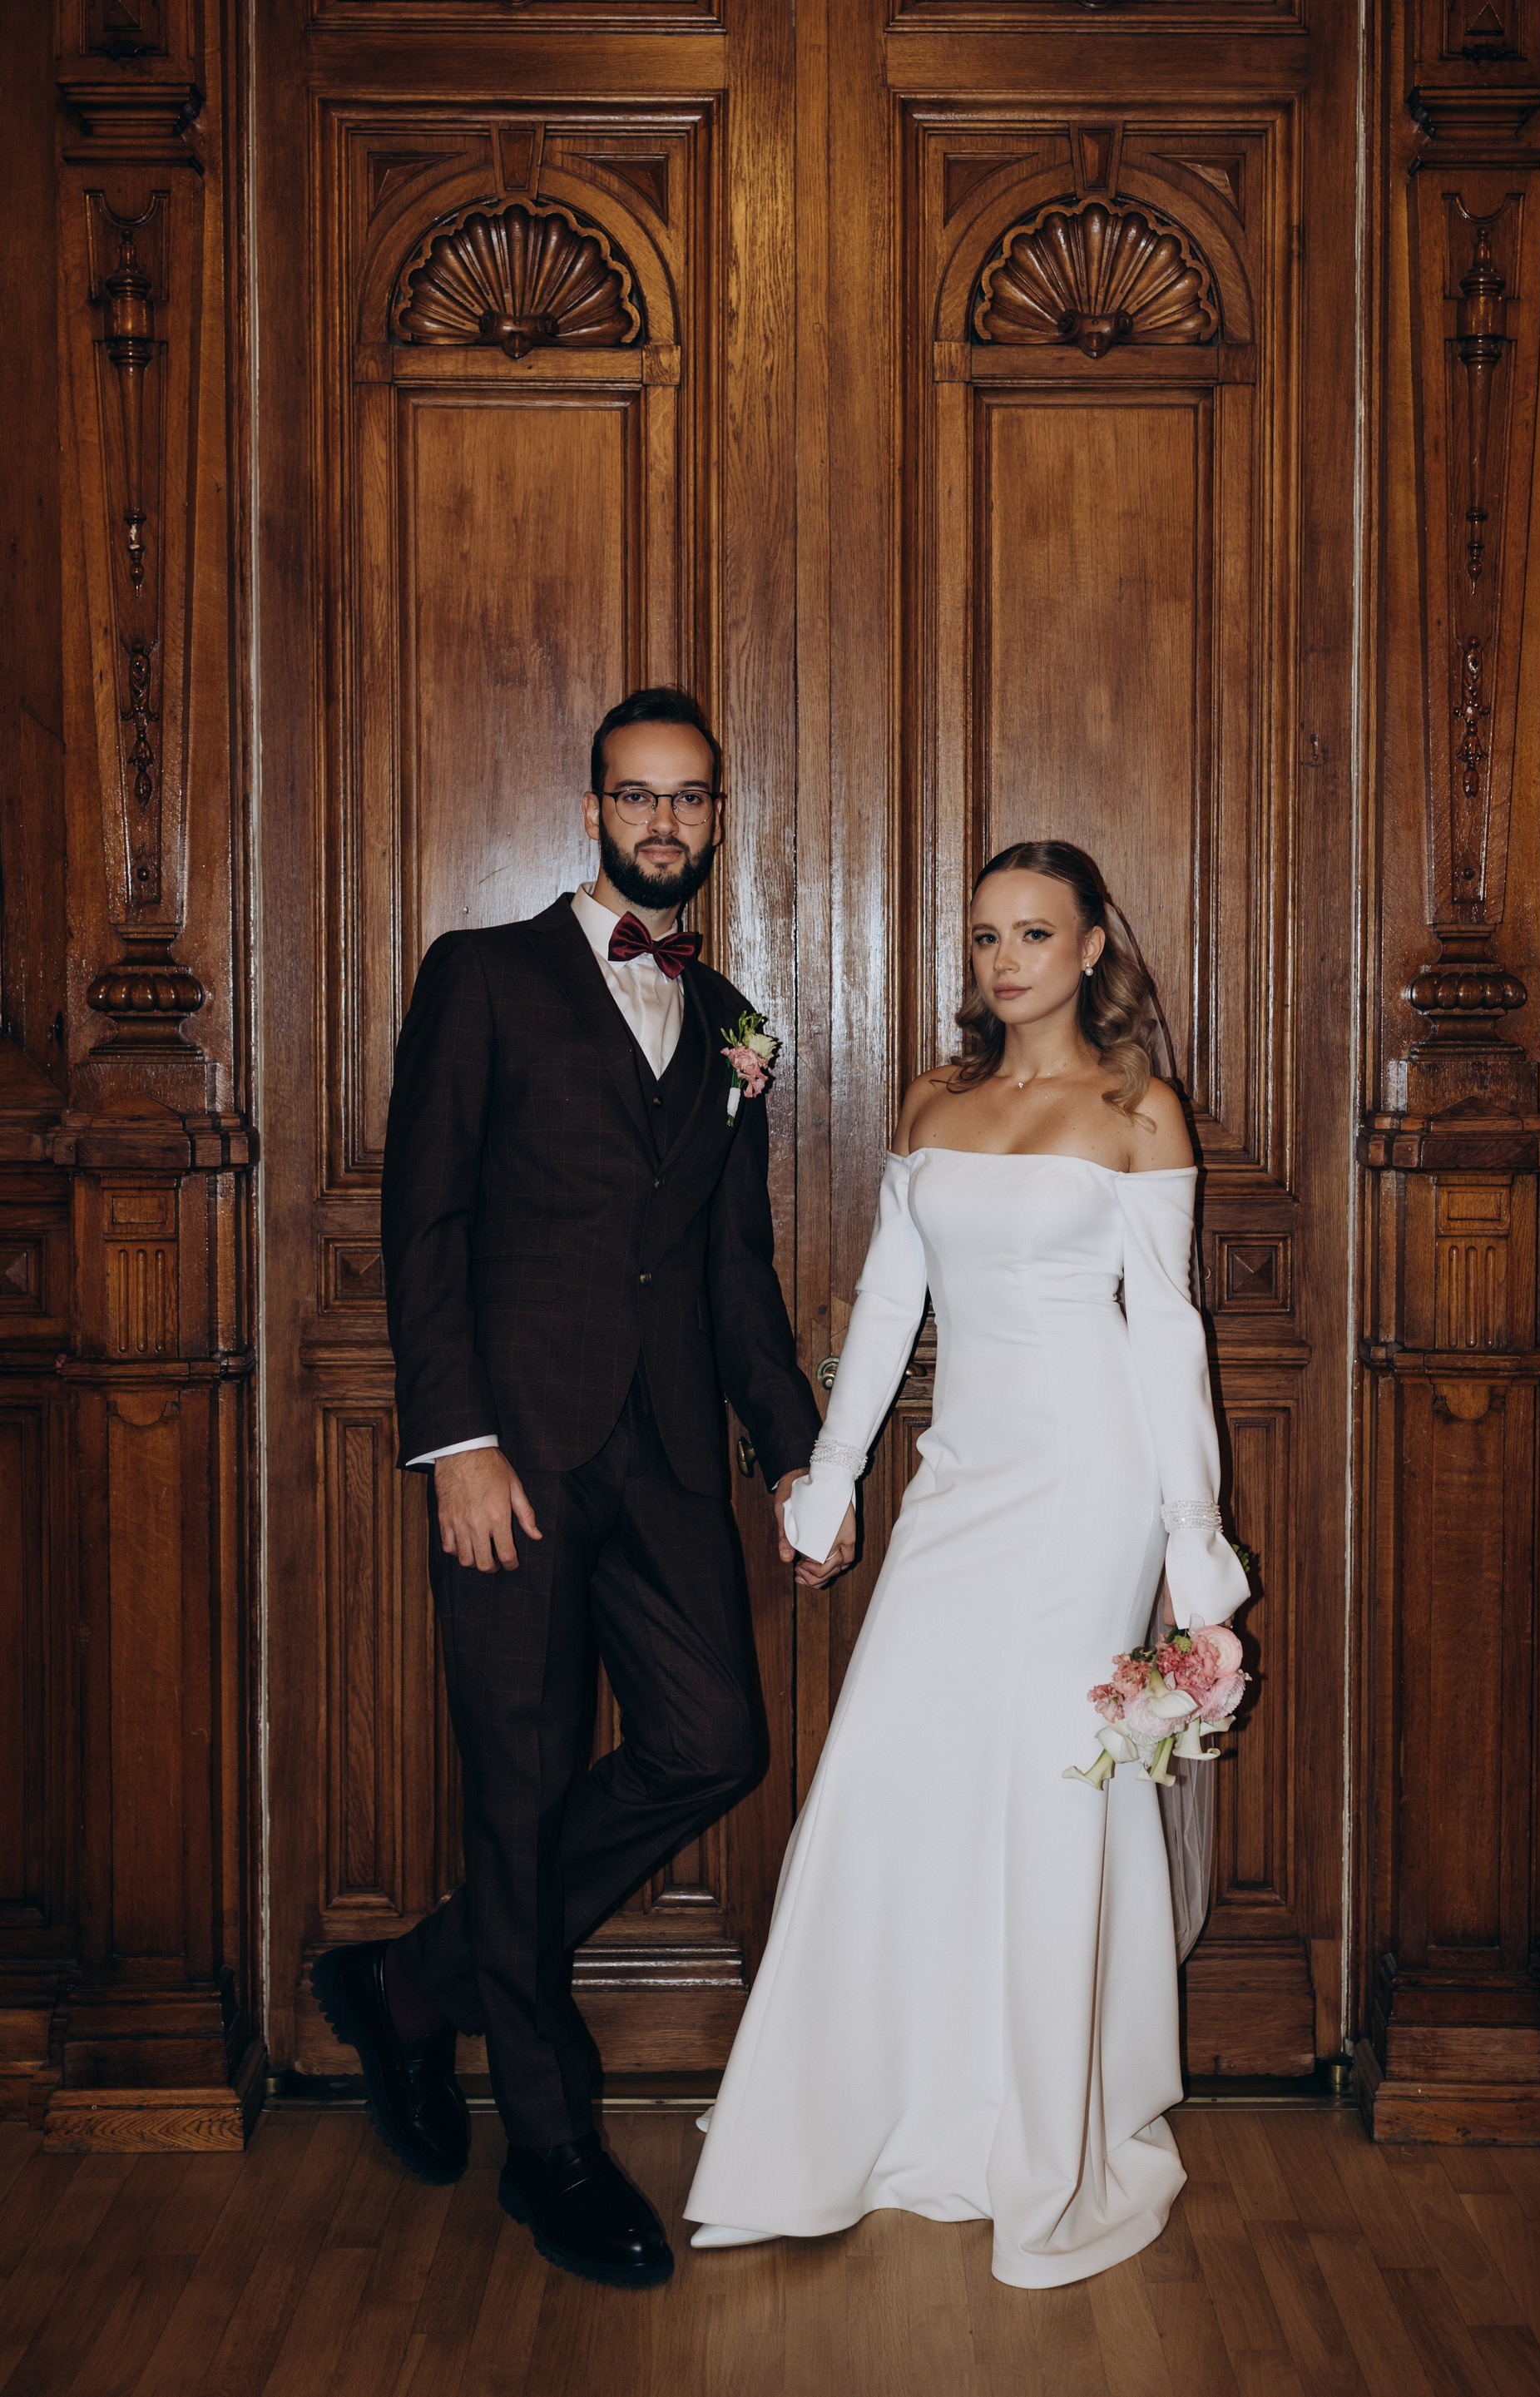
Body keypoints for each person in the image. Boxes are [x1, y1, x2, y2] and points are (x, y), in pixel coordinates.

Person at [685, 839, 1249, 2287]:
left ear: (1092, 945)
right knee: (887, 1763)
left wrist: (1193, 1543)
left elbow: (1167, 1333)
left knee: (1051, 1790)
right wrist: (829, 1480)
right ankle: (869, 2112)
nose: (1006, 960)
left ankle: (1041, 2131)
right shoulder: (935, 1098)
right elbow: (889, 1306)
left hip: (1091, 1485)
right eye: (988, 935)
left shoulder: (1138, 1110)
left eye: (1034, 934)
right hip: (961, 1476)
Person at [314, 687, 822, 2291]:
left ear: (718, 816)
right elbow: (424, 1221)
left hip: (665, 1459)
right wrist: (454, 1441)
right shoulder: (481, 975)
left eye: (690, 796)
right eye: (636, 794)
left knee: (715, 1739)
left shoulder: (732, 1018)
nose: (664, 820)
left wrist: (793, 1450)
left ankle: (411, 1982)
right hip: (511, 1461)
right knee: (521, 1787)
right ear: (594, 806)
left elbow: (735, 1267)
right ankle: (549, 2146)